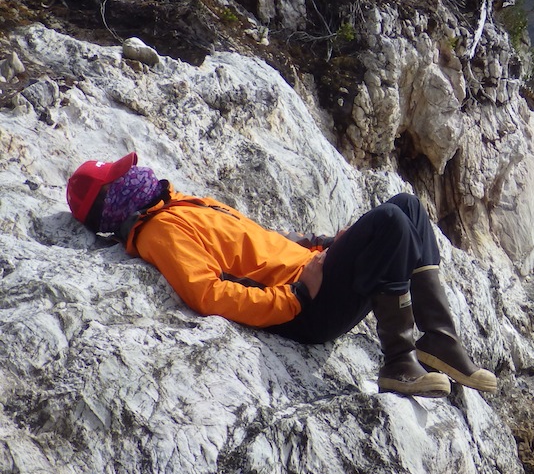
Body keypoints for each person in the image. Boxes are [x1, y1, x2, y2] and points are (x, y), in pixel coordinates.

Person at [66, 151, 498, 398]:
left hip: (312, 278)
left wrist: (323, 245)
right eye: (121, 177)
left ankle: (439, 339)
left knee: (408, 206)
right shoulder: (159, 231)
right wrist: (297, 296)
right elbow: (209, 294)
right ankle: (399, 361)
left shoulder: (176, 204)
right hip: (305, 310)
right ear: (112, 202)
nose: (136, 173)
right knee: (391, 221)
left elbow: (259, 243)